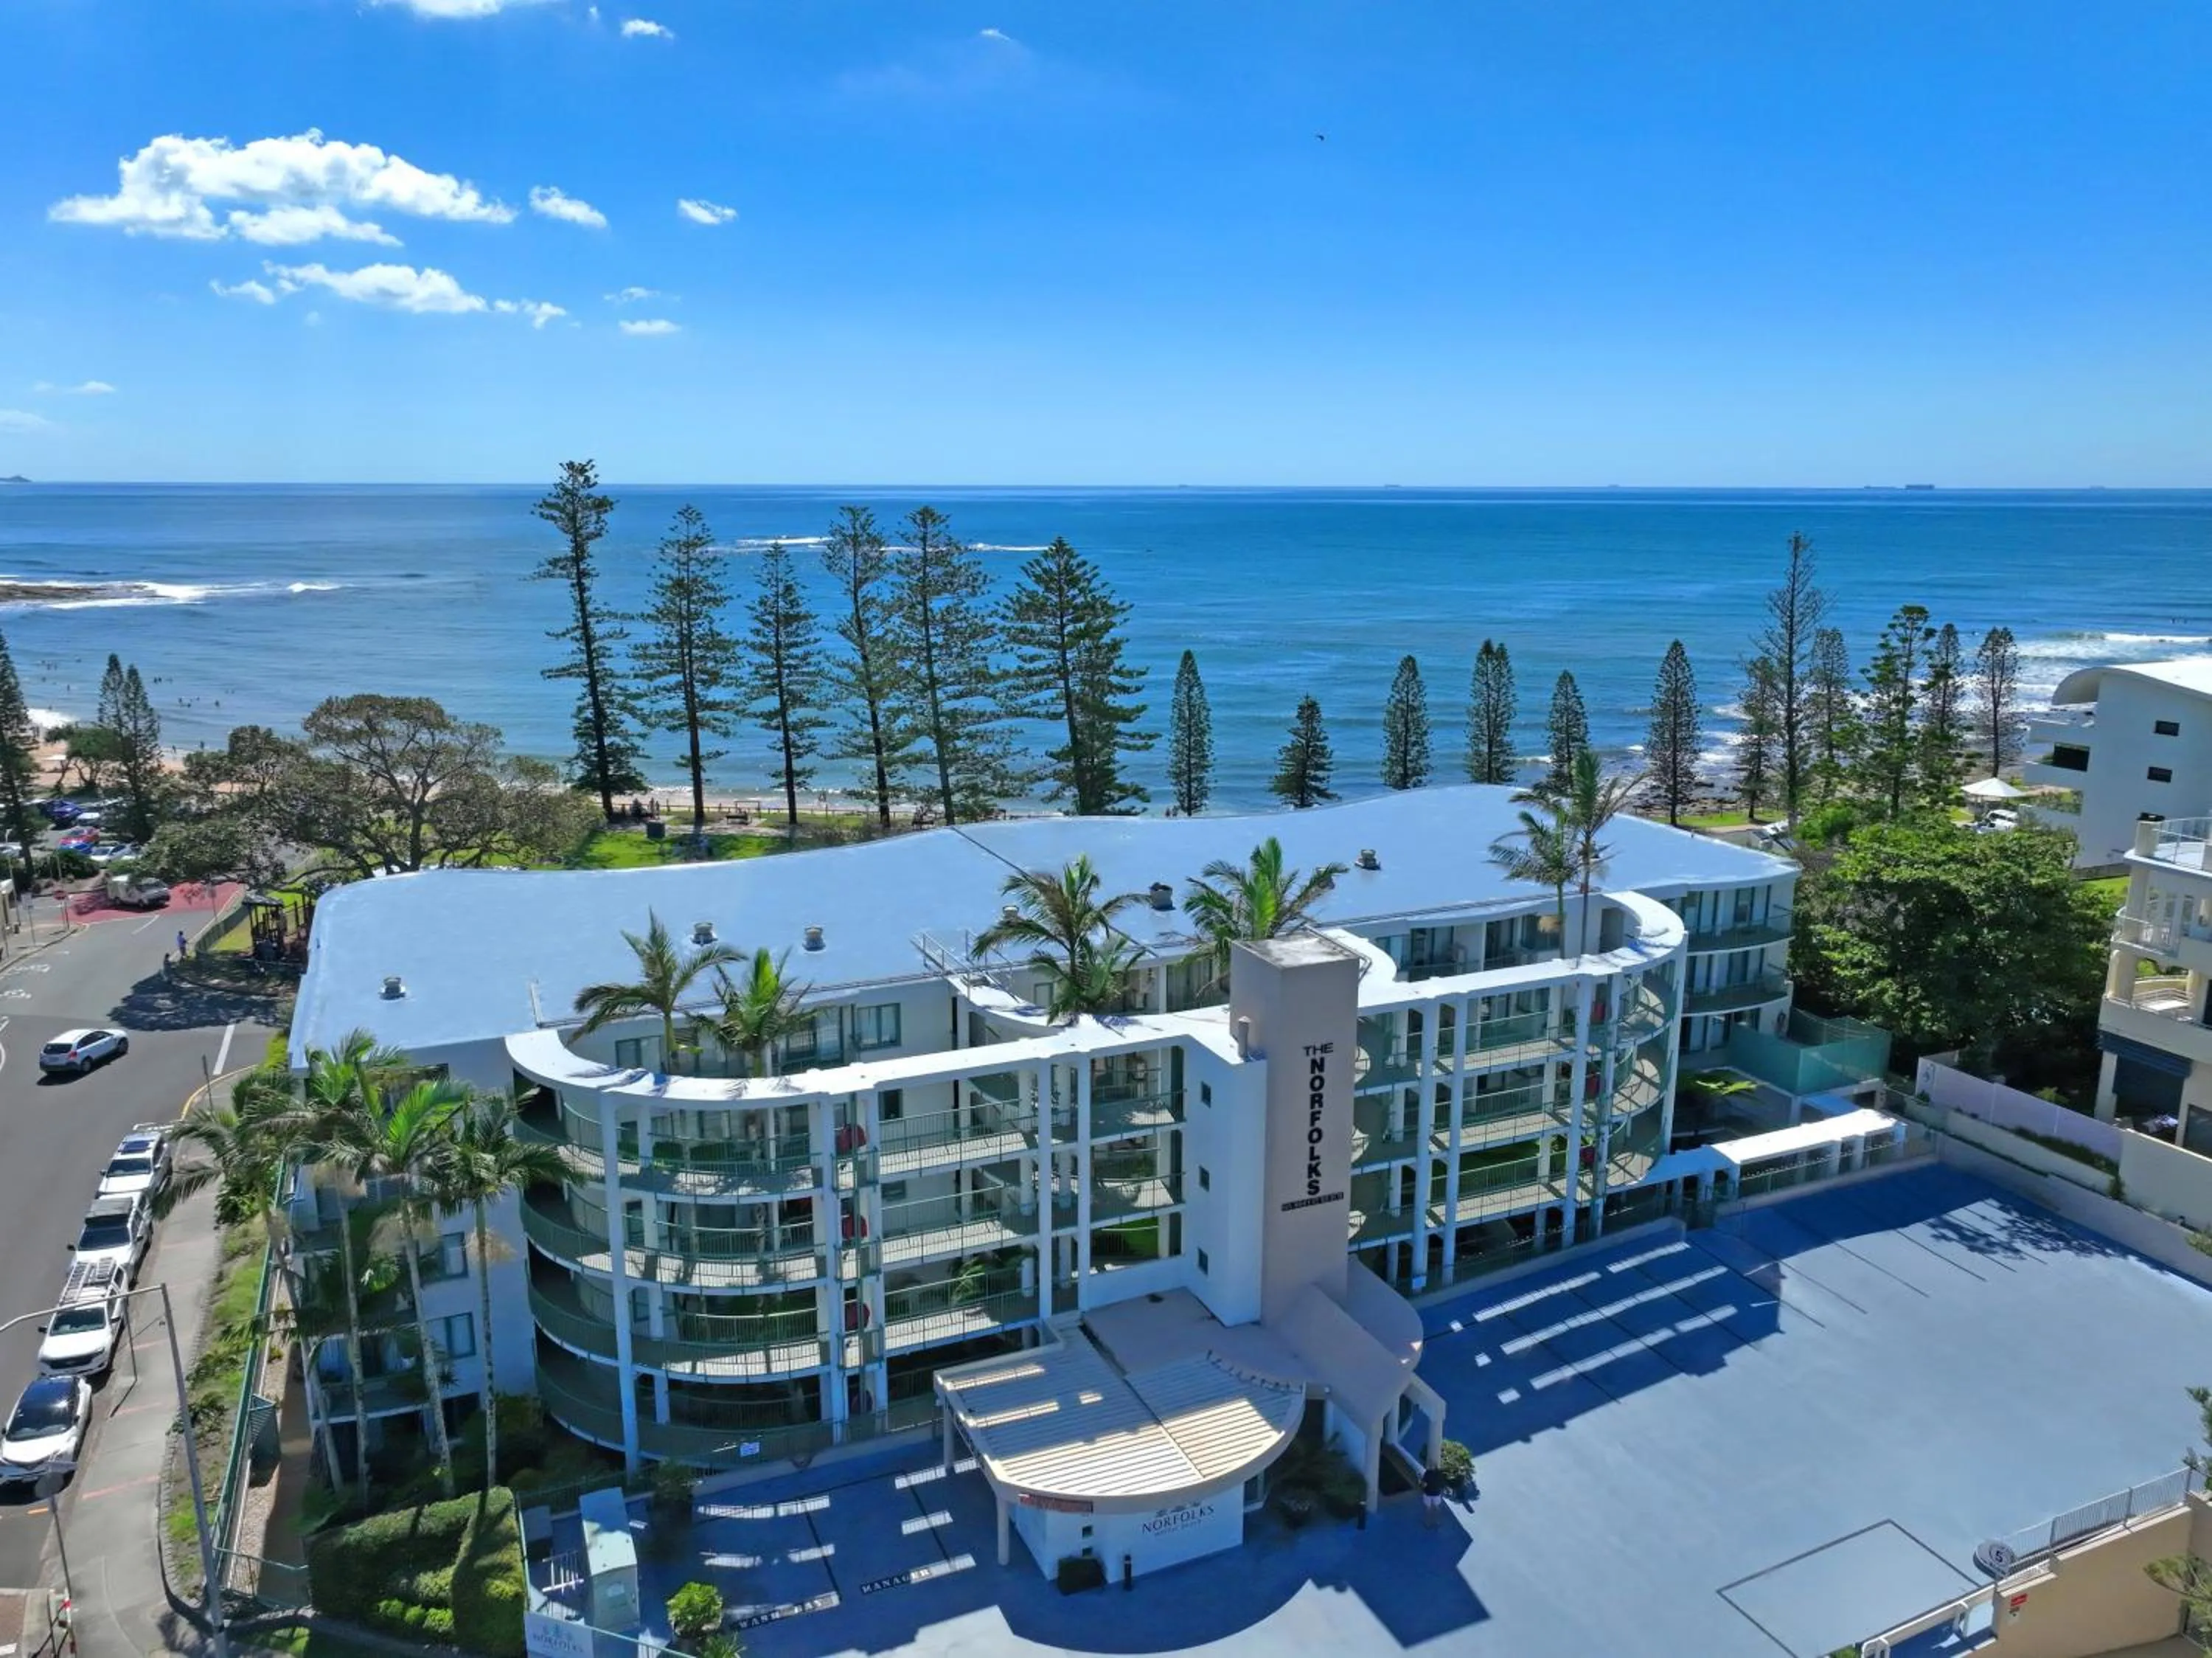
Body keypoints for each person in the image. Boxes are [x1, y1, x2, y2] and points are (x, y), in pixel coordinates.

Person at [1421, 1462, 1447, 1527]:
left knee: (1428, 1509)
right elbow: (1443, 1485)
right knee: (1437, 1508)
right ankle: (1437, 1522)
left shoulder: (1427, 1473)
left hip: (1428, 1493)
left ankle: (1428, 1523)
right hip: (1437, 1493)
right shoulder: (1440, 1474)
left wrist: (1421, 1484)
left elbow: (1424, 1485)